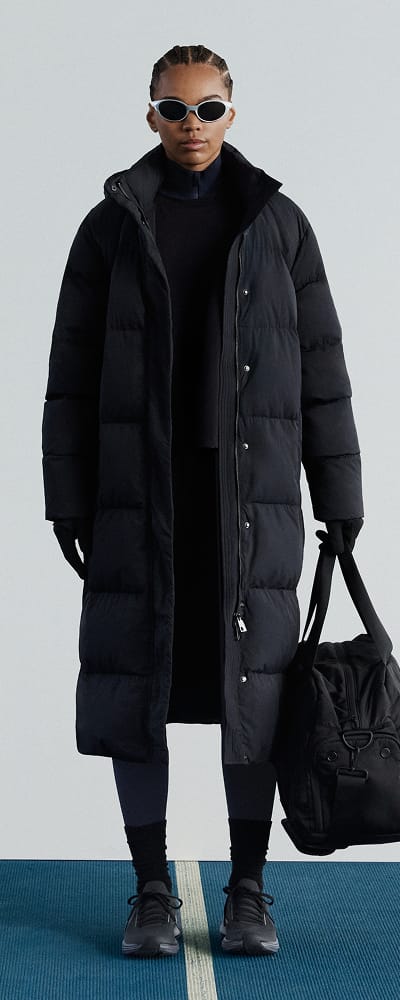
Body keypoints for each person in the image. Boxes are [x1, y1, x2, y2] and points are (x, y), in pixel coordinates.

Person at [41, 43, 364, 958]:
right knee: (133, 686)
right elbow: (69, 372)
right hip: (137, 497)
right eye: (175, 108)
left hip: (251, 502)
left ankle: (248, 891)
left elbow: (323, 370)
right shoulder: (109, 226)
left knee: (254, 695)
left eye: (209, 108)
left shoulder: (279, 224)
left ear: (233, 111)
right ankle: (150, 891)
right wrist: (66, 495)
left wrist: (340, 494)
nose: (193, 125)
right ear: (150, 114)